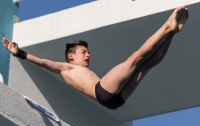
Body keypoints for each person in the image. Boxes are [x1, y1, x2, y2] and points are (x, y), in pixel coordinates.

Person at [2, 6, 189, 110]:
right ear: (71, 56)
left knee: (146, 66)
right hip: (103, 92)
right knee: (135, 59)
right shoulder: (65, 68)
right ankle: (166, 26)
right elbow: (42, 62)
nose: (88, 55)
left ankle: (172, 32)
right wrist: (19, 52)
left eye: (88, 52)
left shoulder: (79, 70)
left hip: (113, 101)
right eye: (84, 52)